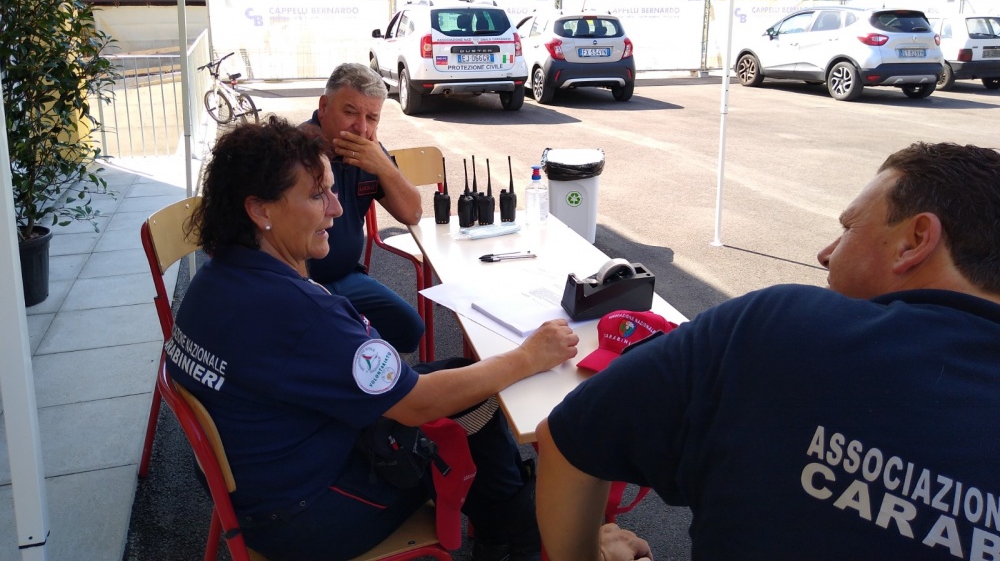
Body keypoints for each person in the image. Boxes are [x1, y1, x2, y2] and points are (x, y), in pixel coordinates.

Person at [536, 142, 1000, 561]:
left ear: (915, 241)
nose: (826, 252)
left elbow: (566, 437)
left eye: (849, 227)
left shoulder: (775, 326)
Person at [165, 118, 578, 561]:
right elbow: (417, 403)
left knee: (462, 379)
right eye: (316, 194)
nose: (336, 209)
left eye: (331, 189)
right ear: (260, 210)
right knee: (475, 403)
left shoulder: (212, 281)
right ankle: (519, 541)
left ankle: (509, 531)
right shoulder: (303, 315)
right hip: (307, 516)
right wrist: (529, 356)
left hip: (255, 488)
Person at [302, 63, 425, 353]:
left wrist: (383, 165)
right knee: (360, 346)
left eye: (372, 117)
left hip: (347, 277)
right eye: (350, 112)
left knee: (409, 329)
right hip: (303, 284)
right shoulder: (296, 152)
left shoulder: (369, 151)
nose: (361, 127)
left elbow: (413, 213)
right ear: (323, 107)